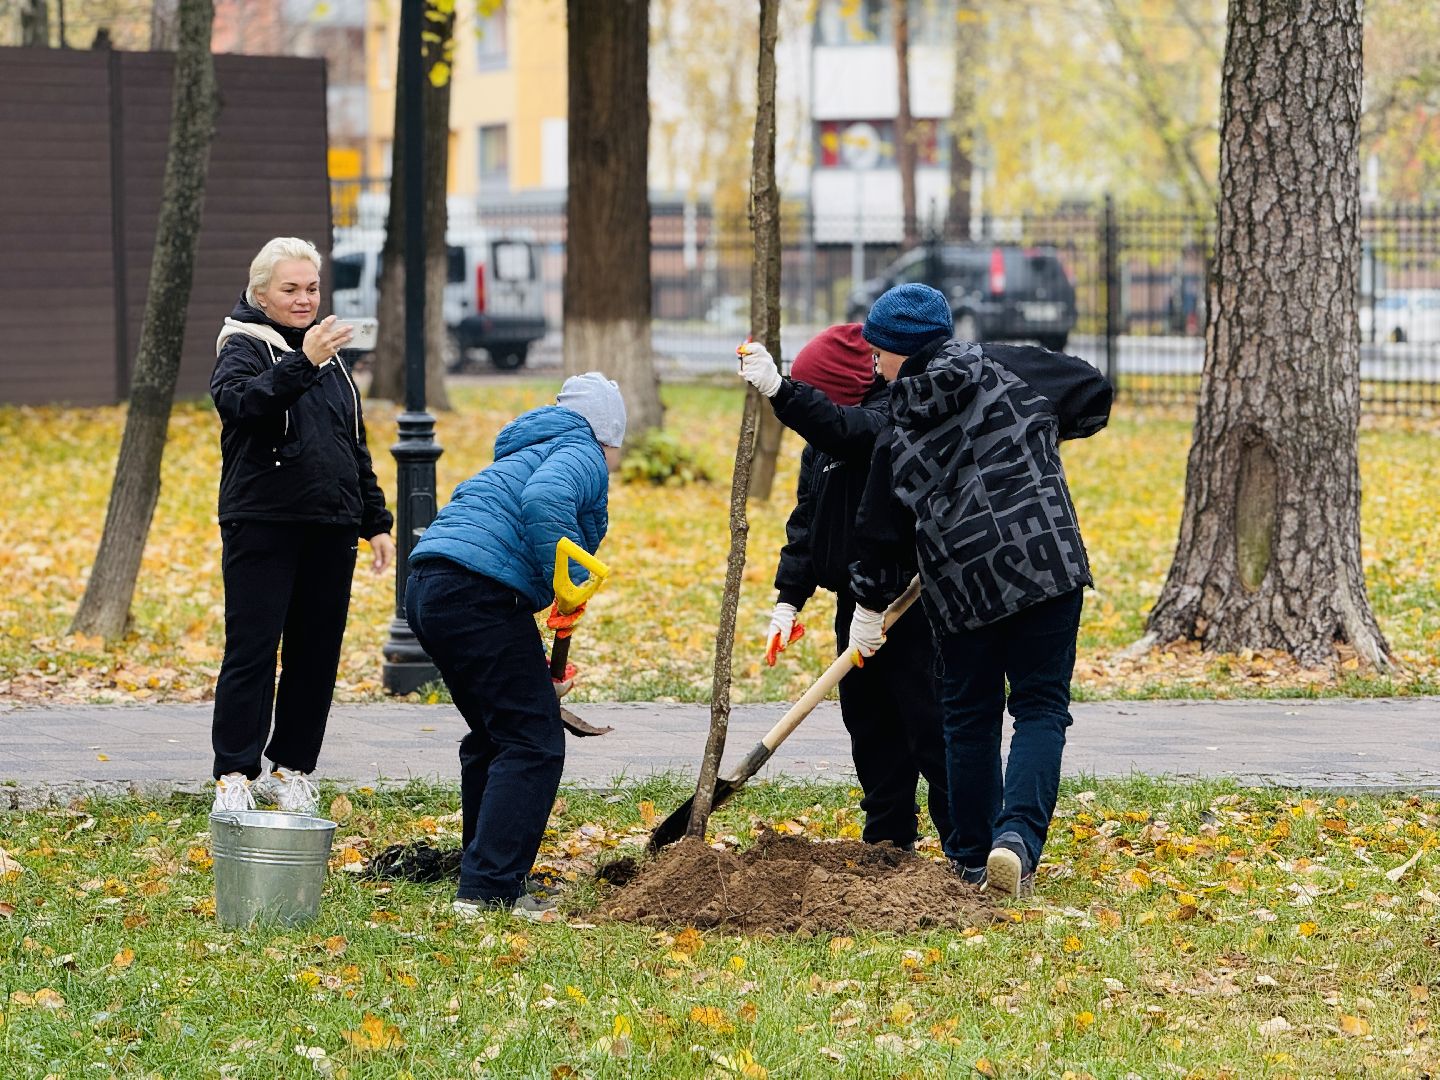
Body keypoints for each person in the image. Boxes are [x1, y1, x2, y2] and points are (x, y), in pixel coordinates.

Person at [847, 283, 1112, 898]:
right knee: (1041, 709)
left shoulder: (896, 423)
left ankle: (970, 859)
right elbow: (1092, 389)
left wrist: (867, 605)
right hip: (1046, 561)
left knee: (968, 717)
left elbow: (880, 533)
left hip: (963, 589)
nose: (874, 363)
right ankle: (1015, 840)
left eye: (879, 352)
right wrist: (1038, 432)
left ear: (901, 351)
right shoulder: (1010, 364)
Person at [404, 373, 625, 922]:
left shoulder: (526, 450)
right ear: (610, 431)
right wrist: (565, 571)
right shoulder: (581, 450)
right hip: (477, 593)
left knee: (495, 735)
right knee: (533, 742)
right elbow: (546, 500)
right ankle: (489, 889)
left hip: (433, 590)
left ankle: (483, 871)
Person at [737, 326, 958, 860]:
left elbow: (848, 427)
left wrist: (782, 392)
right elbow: (807, 522)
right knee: (868, 720)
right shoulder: (822, 448)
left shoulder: (887, 419)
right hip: (852, 605)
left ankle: (965, 843)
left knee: (928, 722)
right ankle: (889, 838)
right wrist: (788, 599)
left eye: (816, 396)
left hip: (909, 605)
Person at [209, 237, 395, 815]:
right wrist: (304, 360)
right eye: (290, 289)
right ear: (260, 291)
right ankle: (234, 775)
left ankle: (292, 768)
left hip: (330, 527)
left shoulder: (330, 356)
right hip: (263, 522)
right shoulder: (242, 345)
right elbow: (245, 405)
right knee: (253, 652)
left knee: (316, 656)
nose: (304, 298)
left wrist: (375, 521)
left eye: (311, 288)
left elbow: (352, 443)